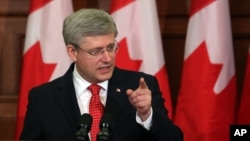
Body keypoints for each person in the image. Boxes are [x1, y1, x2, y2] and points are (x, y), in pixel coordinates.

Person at [20, 8, 183, 141]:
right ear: (72, 52)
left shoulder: (140, 87)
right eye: (95, 51)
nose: (107, 58)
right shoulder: (43, 98)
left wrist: (147, 115)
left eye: (111, 47)